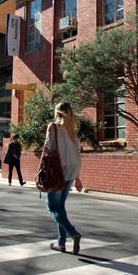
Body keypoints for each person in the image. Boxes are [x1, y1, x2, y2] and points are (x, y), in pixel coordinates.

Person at [45, 102, 83, 255]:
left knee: (52, 207)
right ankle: (61, 243)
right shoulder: (73, 131)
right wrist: (78, 178)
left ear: (58, 113)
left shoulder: (53, 127)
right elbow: (77, 155)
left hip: (58, 170)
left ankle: (73, 233)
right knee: (60, 206)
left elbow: (47, 150)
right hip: (72, 170)